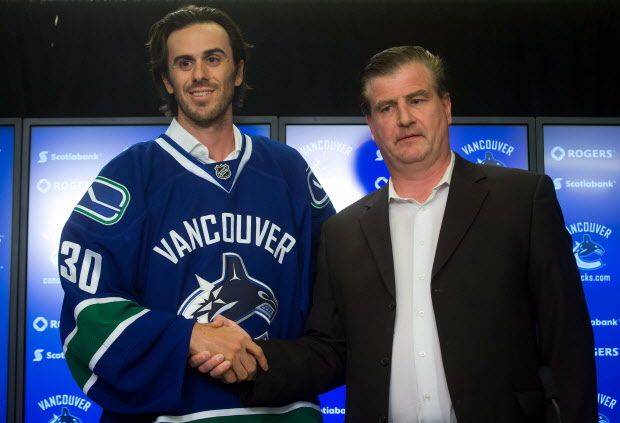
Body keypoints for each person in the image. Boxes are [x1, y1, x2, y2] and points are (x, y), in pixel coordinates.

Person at [194, 46, 597, 422]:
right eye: (386, 107)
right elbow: (330, 352)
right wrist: (249, 359)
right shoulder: (343, 232)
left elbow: (568, 345)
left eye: (417, 100)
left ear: (446, 106)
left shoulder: (522, 200)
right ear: (371, 125)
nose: (404, 118)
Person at [58, 5, 334, 422]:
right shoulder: (130, 175)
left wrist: (266, 361)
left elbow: (335, 301)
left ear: (238, 71)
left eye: (213, 58)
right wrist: (188, 337)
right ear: (168, 80)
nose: (200, 74)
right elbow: (88, 310)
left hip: (283, 412)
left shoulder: (290, 170)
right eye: (184, 63)